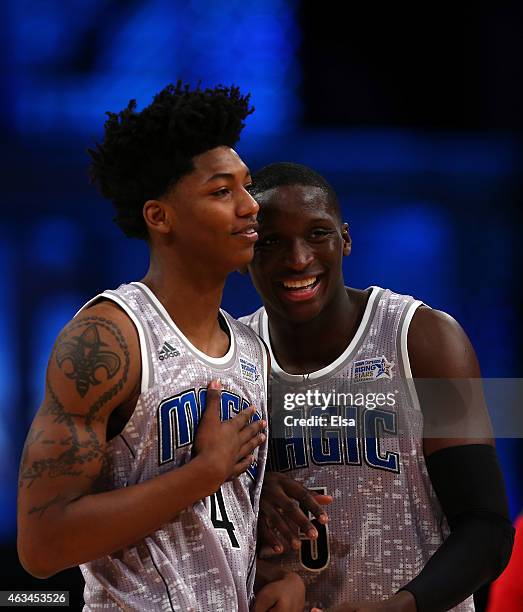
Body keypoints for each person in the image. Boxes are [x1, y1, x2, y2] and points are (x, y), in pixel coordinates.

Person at [17, 84, 305, 611]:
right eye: (222, 192)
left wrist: (277, 576)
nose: (249, 207)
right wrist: (202, 473)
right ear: (160, 216)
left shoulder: (249, 347)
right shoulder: (107, 338)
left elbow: (210, 532)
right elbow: (42, 544)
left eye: (247, 187)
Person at [241, 162, 514, 611]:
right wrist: (247, 488)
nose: (298, 258)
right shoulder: (235, 358)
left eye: (317, 234)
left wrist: (398, 608)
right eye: (271, 242)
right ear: (246, 252)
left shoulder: (424, 338)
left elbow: (487, 528)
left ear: (345, 239)